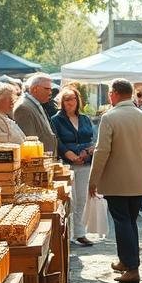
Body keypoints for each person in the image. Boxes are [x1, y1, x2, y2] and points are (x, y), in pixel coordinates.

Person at [88, 79, 142, 283]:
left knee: (122, 222)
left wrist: (93, 179)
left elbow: (102, 152)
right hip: (139, 178)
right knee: (130, 221)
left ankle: (132, 267)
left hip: (116, 181)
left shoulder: (109, 117)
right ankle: (126, 261)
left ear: (114, 94)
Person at [52, 86, 96, 247]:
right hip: (67, 164)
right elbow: (57, 140)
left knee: (83, 199)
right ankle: (68, 234)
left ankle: (80, 233)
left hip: (85, 163)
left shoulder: (84, 118)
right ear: (61, 102)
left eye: (73, 98)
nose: (70, 102)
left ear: (78, 100)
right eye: (66, 99)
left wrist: (89, 150)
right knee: (71, 199)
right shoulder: (55, 120)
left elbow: (92, 138)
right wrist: (68, 153)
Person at [12, 73, 58, 155]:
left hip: (45, 159)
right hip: (37, 161)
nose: (50, 92)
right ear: (35, 89)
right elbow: (29, 141)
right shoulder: (23, 107)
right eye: (47, 89)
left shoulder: (33, 103)